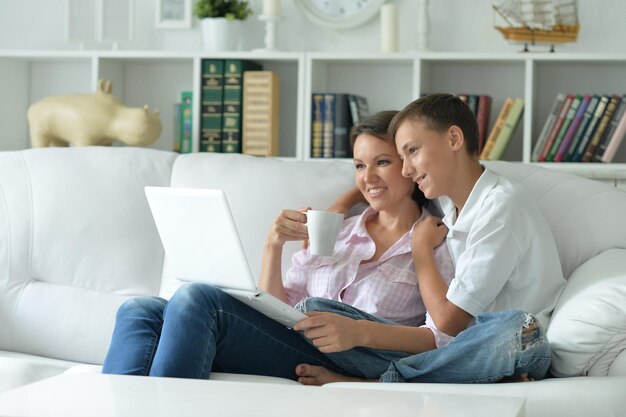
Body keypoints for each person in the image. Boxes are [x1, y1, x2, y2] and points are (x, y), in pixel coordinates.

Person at [101, 110, 454, 381]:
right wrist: (274, 246)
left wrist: (352, 362)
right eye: (360, 165)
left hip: (348, 356)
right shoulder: (337, 231)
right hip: (288, 339)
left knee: (197, 300)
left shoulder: (431, 242)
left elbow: (441, 339)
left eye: (382, 162)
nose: (367, 177)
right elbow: (277, 308)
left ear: (409, 167)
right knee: (140, 311)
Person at [295, 93, 566, 385]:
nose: (407, 169)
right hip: (460, 351)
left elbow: (450, 323)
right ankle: (454, 375)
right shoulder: (449, 200)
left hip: (513, 342)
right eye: (400, 158)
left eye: (412, 151)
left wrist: (421, 251)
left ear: (453, 139)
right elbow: (379, 186)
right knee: (316, 311)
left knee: (516, 328)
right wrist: (342, 206)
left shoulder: (500, 208)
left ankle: (376, 382)